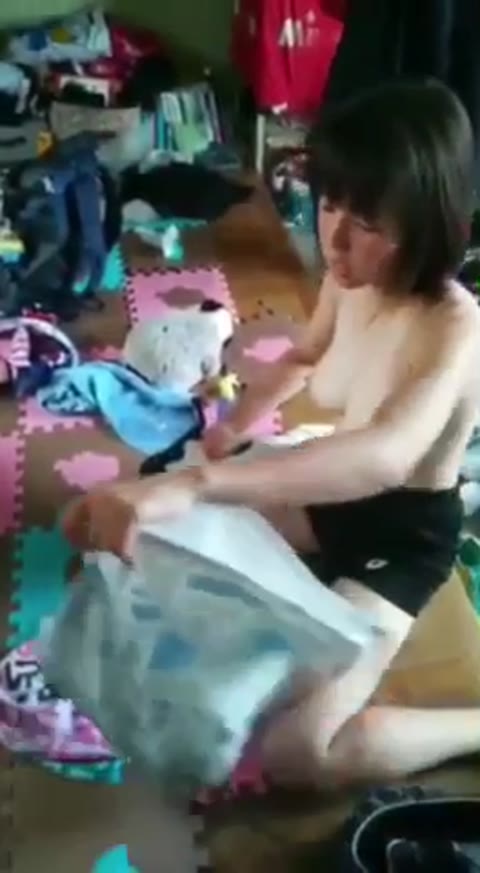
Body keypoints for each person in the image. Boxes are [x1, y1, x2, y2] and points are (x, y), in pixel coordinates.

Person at [63, 80, 480, 790]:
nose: (333, 239)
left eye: (366, 223)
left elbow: (386, 455)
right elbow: (304, 356)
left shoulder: (455, 325)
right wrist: (230, 429)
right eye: (330, 204)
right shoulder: (350, 278)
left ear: (428, 222)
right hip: (326, 484)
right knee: (133, 527)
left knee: (296, 755)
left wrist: (202, 481)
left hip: (399, 538)